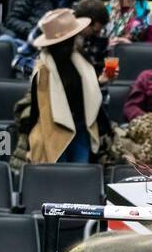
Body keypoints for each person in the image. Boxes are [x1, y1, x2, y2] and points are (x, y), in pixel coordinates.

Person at [18, 9, 104, 165]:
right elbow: (39, 110)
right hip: (53, 130)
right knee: (58, 176)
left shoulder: (81, 60)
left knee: (80, 177)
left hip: (81, 127)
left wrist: (102, 81)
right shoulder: (43, 70)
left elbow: (88, 94)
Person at [0, 0, 88, 58]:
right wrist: (34, 31)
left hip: (66, 49)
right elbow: (11, 19)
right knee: (5, 40)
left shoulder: (88, 2)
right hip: (30, 42)